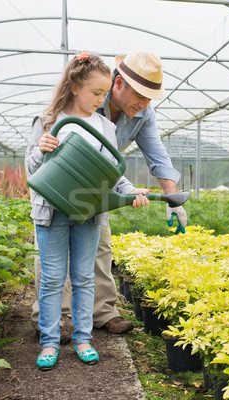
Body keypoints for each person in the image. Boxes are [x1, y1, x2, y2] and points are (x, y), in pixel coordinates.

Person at [29, 49, 187, 339]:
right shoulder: (85, 101)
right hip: (60, 188)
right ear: (118, 85)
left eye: (149, 98)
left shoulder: (140, 114)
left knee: (100, 246)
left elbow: (156, 156)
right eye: (140, 95)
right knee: (53, 259)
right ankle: (55, 319)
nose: (144, 104)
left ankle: (102, 312)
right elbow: (39, 156)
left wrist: (172, 200)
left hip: (96, 185)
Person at [25, 51, 149, 371]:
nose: (100, 99)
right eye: (95, 92)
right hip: (51, 210)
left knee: (83, 277)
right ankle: (50, 342)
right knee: (53, 278)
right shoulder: (49, 120)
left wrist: (128, 190)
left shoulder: (105, 126)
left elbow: (112, 171)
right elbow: (32, 168)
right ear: (75, 86)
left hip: (88, 210)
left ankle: (83, 338)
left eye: (104, 94)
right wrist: (41, 150)